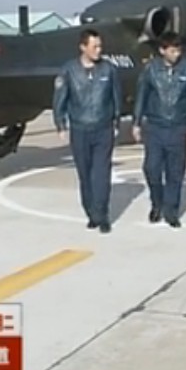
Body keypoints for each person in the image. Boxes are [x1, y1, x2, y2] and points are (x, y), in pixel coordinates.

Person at [52, 29, 122, 234]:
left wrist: (116, 122)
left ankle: (103, 214)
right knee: (85, 174)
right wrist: (60, 124)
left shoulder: (108, 70)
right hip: (80, 130)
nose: (99, 50)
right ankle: (91, 212)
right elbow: (60, 99)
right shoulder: (69, 70)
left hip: (103, 129)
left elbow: (116, 98)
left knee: (101, 173)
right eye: (94, 46)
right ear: (83, 47)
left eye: (100, 46)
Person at [131, 31, 186, 228]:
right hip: (155, 127)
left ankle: (171, 211)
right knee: (152, 168)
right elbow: (141, 96)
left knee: (175, 172)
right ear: (162, 50)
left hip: (178, 127)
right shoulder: (150, 69)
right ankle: (156, 203)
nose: (176, 54)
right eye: (172, 50)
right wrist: (136, 122)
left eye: (178, 50)